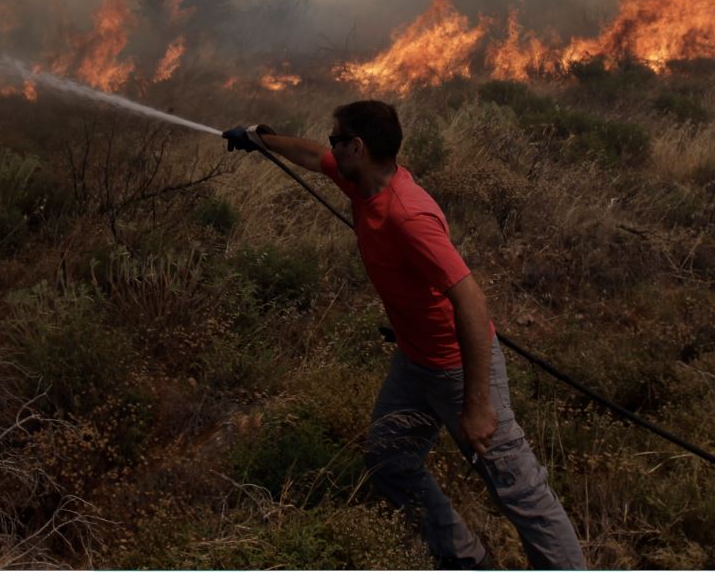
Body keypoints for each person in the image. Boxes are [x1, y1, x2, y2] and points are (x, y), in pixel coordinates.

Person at [224, 101, 585, 570]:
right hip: (415, 362)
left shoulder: (408, 216)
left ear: (358, 147)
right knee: (389, 459)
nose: (331, 147)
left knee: (516, 486)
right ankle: (467, 561)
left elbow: (472, 302)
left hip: (456, 366)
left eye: (337, 139)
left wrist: (478, 404)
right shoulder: (360, 180)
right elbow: (312, 156)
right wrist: (259, 137)